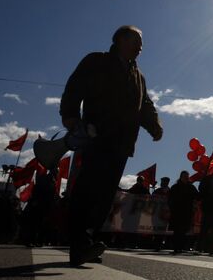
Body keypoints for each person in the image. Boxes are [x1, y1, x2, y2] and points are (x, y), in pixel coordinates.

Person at [60, 25, 163, 266]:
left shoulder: (139, 76)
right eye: (136, 40)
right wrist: (70, 115)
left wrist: (155, 125)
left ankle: (89, 242)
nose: (140, 47)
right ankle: (79, 243)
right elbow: (75, 86)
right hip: (97, 136)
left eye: (142, 43)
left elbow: (145, 105)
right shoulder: (96, 61)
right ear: (119, 40)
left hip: (123, 143)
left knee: (106, 195)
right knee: (88, 190)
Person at [168, 171, 199, 253]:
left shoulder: (191, 187)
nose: (186, 178)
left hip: (187, 211)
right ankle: (175, 247)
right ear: (181, 177)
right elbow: (170, 199)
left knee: (184, 230)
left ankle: (180, 247)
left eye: (187, 176)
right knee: (177, 230)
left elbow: (197, 196)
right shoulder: (175, 187)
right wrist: (172, 208)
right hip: (177, 211)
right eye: (184, 176)